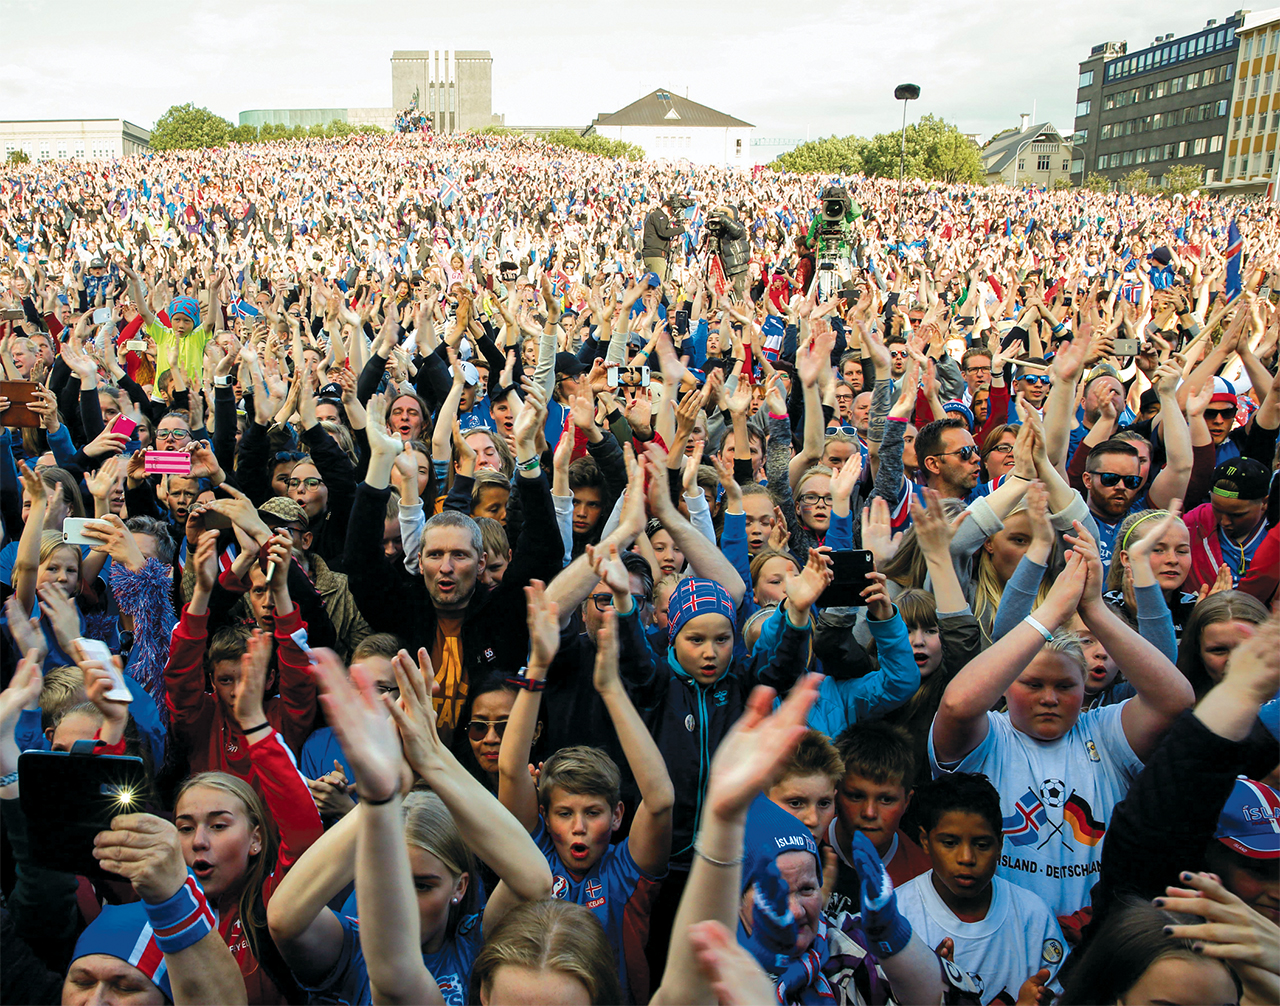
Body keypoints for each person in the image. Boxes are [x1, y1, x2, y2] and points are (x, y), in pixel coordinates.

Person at [931, 527, 1195, 917]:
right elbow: (954, 706)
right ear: (1005, 686)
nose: (1050, 698)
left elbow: (1176, 701)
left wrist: (1094, 609)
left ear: (1084, 686)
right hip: (1001, 933)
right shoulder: (988, 735)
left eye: (1065, 686)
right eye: (1033, 684)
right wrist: (1052, 611)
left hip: (1091, 936)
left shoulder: (1103, 731)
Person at [270, 646, 552, 1006]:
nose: (403, 899)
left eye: (422, 885)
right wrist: (383, 797)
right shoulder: (351, 946)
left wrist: (433, 756)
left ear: (460, 886)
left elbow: (536, 883)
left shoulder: (475, 944)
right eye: (391, 878)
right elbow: (284, 918)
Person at [498, 580, 673, 1005]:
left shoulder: (624, 874)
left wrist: (612, 689)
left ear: (617, 817)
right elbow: (509, 767)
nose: (577, 828)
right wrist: (538, 665)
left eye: (592, 813)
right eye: (563, 813)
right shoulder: (532, 855)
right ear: (544, 815)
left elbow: (661, 799)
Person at [897, 774, 1066, 1003]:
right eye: (950, 843)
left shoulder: (1032, 916)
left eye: (982, 845)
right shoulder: (897, 916)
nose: (966, 858)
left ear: (1000, 845)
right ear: (925, 841)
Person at [826, 720, 932, 918]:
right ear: (835, 792)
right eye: (856, 796)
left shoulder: (923, 880)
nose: (869, 812)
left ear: (906, 802)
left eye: (886, 799)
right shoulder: (802, 842)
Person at [641, 198, 685, 281]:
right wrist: (682, 229)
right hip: (655, 255)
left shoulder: (656, 216)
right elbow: (664, 232)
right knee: (658, 284)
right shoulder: (658, 215)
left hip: (656, 254)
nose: (672, 215)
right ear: (669, 208)